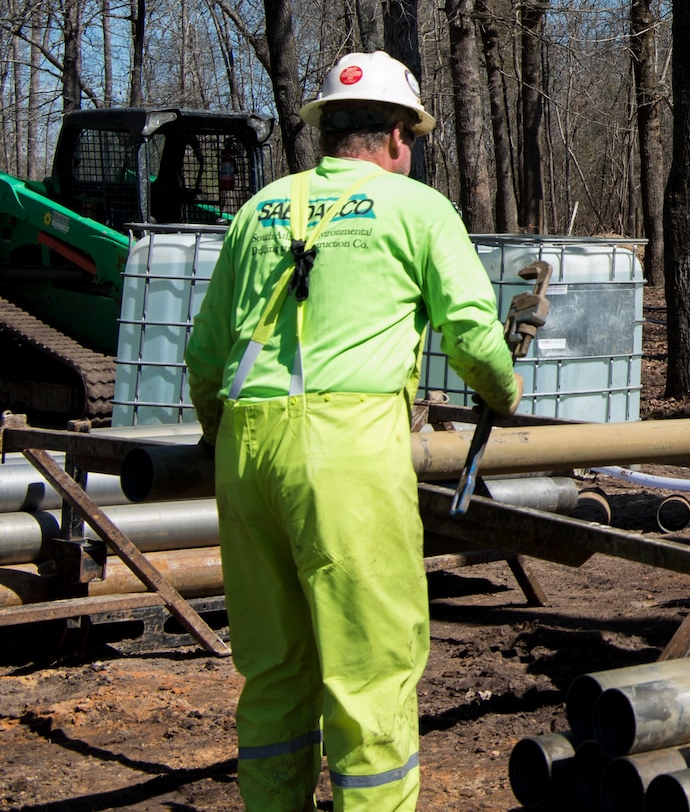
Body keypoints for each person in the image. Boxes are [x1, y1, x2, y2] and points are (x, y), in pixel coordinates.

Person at [184, 52, 530, 811]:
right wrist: (503, 392)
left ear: (326, 131)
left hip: (246, 448)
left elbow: (205, 356)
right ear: (398, 136)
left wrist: (222, 436)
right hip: (348, 452)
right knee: (369, 671)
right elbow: (472, 337)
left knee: (275, 669)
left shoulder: (259, 210)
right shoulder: (417, 208)